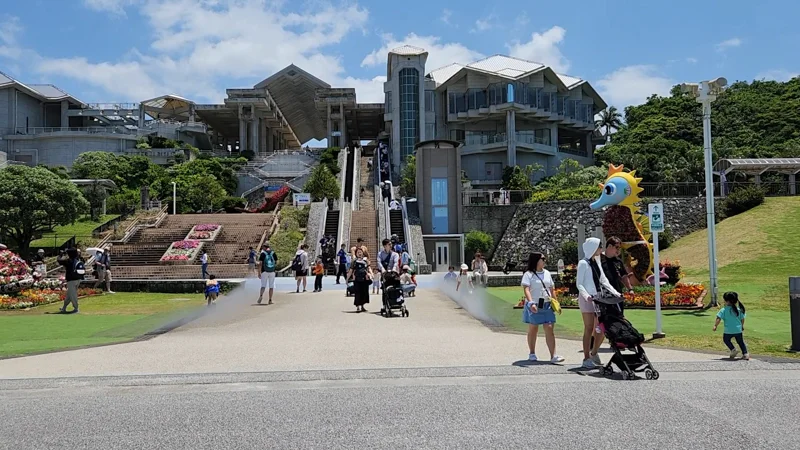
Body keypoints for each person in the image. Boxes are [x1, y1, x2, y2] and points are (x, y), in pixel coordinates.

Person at [577, 237, 622, 369]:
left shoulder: (596, 261)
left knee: (601, 327)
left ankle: (594, 352)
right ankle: (586, 358)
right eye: (599, 246)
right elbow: (579, 283)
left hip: (598, 298)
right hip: (587, 300)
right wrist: (586, 296)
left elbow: (603, 280)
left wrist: (615, 293)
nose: (601, 249)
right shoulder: (583, 263)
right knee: (589, 327)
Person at [521, 252, 564, 364]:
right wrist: (531, 302)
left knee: (549, 328)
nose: (544, 261)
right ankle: (532, 352)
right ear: (536, 260)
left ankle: (553, 355)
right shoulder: (528, 274)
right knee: (533, 328)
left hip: (546, 304)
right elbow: (526, 289)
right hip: (534, 303)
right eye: (542, 259)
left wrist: (556, 304)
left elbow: (551, 289)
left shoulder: (547, 273)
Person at [601, 237, 633, 314]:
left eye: (620, 248)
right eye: (617, 247)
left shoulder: (618, 261)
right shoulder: (599, 259)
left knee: (619, 316)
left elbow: (624, 276)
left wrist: (630, 289)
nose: (619, 250)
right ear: (609, 246)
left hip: (617, 294)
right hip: (604, 294)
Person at [714, 291, 750, 360]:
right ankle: (745, 354)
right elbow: (742, 319)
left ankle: (733, 349)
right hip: (738, 329)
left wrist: (715, 325)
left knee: (726, 340)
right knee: (740, 342)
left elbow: (718, 318)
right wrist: (742, 326)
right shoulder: (739, 310)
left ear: (726, 301)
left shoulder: (723, 310)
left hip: (728, 330)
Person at [57, 248, 84, 314]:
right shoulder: (77, 260)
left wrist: (60, 255)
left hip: (71, 280)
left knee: (73, 295)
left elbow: (59, 260)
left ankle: (76, 308)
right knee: (69, 295)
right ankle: (64, 308)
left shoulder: (69, 261)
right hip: (78, 279)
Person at [348, 248, 372, 312]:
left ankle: (362, 306)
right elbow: (351, 270)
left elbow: (369, 268)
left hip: (364, 278)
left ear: (363, 253)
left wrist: (371, 274)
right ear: (356, 253)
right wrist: (347, 278)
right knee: (357, 293)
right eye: (358, 252)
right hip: (357, 279)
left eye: (360, 252)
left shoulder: (366, 260)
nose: (359, 253)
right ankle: (358, 306)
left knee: (364, 292)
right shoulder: (354, 261)